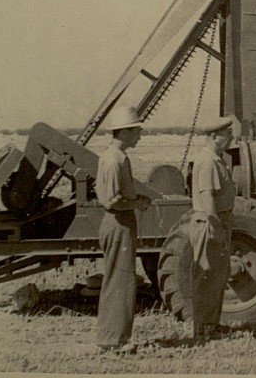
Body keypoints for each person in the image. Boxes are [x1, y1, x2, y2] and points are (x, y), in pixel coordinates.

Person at [95, 105, 150, 354]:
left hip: (120, 221)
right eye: (136, 130)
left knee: (122, 281)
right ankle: (113, 341)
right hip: (119, 222)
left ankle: (114, 338)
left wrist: (135, 198)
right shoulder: (114, 160)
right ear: (125, 132)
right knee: (120, 282)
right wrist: (137, 202)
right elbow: (112, 200)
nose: (139, 135)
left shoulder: (114, 157)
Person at [190, 116, 235, 341]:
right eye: (228, 134)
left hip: (217, 222)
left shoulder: (216, 159)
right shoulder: (208, 161)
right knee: (207, 276)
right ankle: (204, 329)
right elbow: (207, 197)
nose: (231, 138)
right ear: (215, 136)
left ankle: (211, 325)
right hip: (210, 224)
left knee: (217, 275)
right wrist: (216, 227)